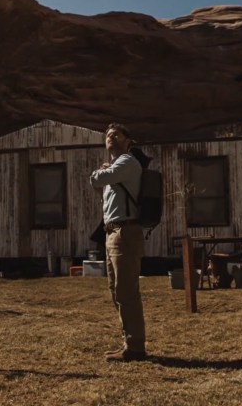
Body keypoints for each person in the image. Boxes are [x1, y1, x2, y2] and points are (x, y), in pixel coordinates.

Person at [89, 123, 147, 362]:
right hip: (112, 232)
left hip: (125, 232)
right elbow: (102, 189)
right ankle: (129, 343)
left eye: (116, 134)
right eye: (108, 136)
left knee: (126, 291)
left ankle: (135, 348)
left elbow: (96, 180)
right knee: (116, 290)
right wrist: (103, 174)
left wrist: (99, 173)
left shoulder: (127, 162)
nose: (111, 138)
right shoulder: (117, 167)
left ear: (127, 141)